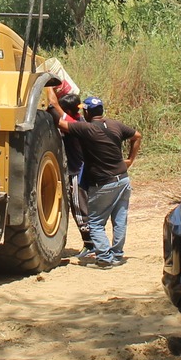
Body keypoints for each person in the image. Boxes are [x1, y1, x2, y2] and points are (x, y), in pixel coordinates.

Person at [52, 93, 140, 267]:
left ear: (88, 113)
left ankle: (105, 259)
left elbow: (60, 123)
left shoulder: (87, 129)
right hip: (123, 179)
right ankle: (117, 255)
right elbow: (137, 135)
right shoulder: (114, 124)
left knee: (95, 223)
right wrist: (129, 160)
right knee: (119, 219)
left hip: (104, 183)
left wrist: (50, 105)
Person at [55, 85, 95, 252]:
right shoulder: (81, 120)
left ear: (69, 112)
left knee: (79, 208)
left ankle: (89, 244)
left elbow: (56, 112)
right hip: (82, 169)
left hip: (77, 172)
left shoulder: (74, 125)